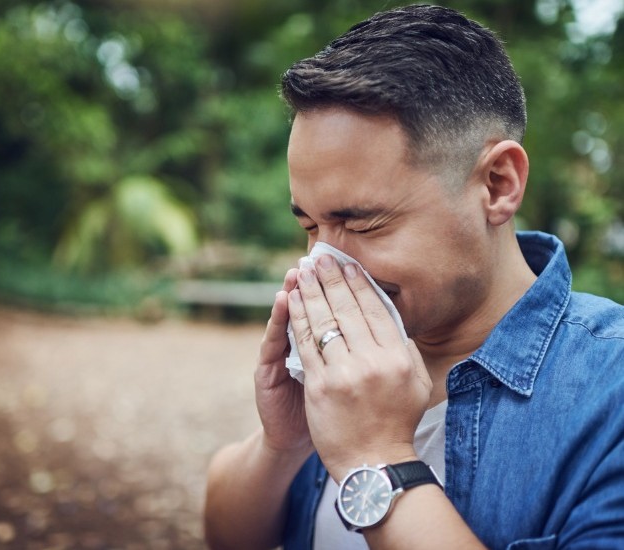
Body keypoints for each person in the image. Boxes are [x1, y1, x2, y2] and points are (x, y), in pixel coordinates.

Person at [204, 4, 624, 550]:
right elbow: (225, 533)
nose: (322, 266)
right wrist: (283, 447)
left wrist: (375, 456)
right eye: (309, 225)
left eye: (362, 222)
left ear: (498, 185)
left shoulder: (609, 390)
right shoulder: (344, 363)